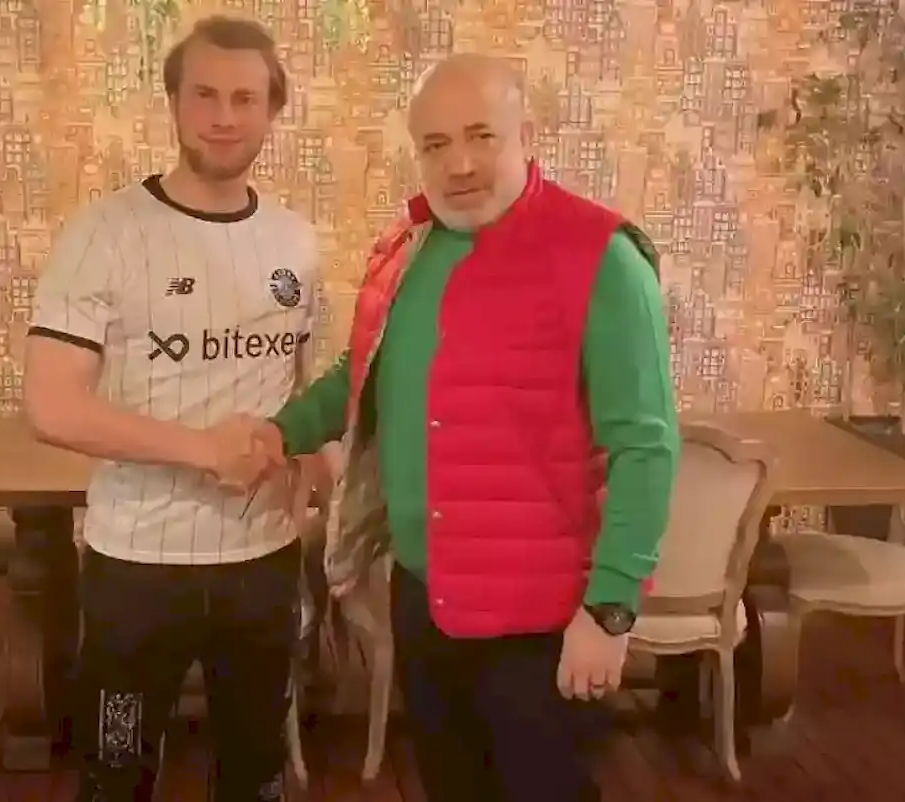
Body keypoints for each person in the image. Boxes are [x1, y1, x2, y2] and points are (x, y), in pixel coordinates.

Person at [235, 54, 681, 802]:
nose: (460, 164)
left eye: (481, 136)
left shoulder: (602, 256)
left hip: (541, 623)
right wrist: (282, 431)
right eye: (436, 144)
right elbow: (363, 372)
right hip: (424, 598)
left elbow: (646, 447)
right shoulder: (411, 250)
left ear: (526, 135)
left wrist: (610, 610)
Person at [22, 16, 321, 802]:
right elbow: (51, 406)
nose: (224, 115)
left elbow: (304, 389)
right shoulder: (103, 233)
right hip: (137, 567)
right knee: (116, 774)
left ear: (273, 109)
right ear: (174, 103)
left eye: (245, 98)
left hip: (262, 562)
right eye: (205, 95)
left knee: (257, 775)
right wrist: (203, 449)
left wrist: (319, 460)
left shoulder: (295, 243)